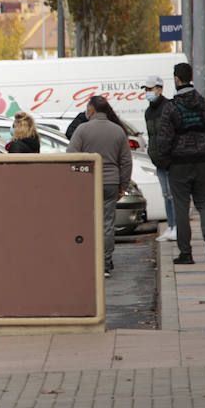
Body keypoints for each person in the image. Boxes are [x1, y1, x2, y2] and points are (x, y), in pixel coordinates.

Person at [149, 62, 205, 265]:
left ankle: (186, 253)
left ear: (176, 79)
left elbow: (164, 139)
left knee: (181, 207)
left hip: (179, 164)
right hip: (203, 162)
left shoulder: (171, 107)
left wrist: (165, 163)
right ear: (190, 77)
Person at [67, 95, 133, 277]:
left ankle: (89, 260)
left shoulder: (82, 130)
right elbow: (126, 161)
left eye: (87, 108)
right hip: (111, 183)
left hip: (88, 183)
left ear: (92, 110)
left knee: (87, 223)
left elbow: (71, 156)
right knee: (107, 224)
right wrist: (123, 185)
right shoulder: (118, 131)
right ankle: (105, 262)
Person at [141, 74, 177, 242]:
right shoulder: (149, 112)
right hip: (159, 160)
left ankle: (176, 226)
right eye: (146, 89)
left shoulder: (168, 107)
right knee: (165, 193)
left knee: (172, 194)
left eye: (150, 89)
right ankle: (171, 226)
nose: (148, 92)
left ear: (160, 89)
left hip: (171, 158)